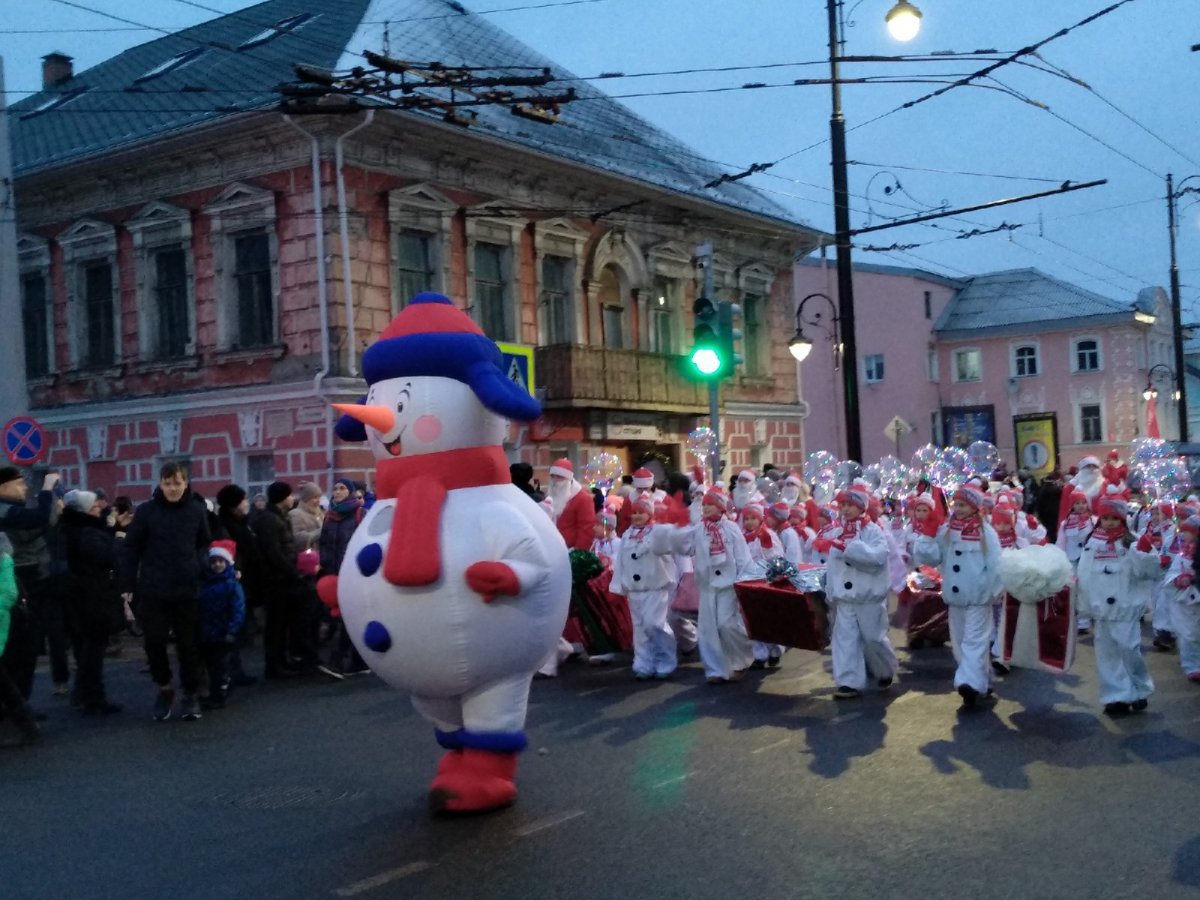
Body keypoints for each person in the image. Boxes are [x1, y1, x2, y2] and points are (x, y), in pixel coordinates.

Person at [119, 461, 211, 722]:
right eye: (168, 483)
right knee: (154, 642)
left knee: (188, 645)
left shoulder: (196, 510)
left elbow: (204, 543)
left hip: (187, 588)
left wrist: (201, 565)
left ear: (186, 483)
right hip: (154, 589)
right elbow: (131, 548)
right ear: (160, 484)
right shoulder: (147, 512)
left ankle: (191, 694)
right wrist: (126, 585)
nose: (173, 488)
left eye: (178, 483)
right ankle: (165, 688)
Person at [914, 485, 1001, 709]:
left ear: (973, 507)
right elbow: (933, 558)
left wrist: (994, 590)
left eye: (962, 505)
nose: (958, 509)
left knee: (975, 640)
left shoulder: (986, 532)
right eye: (956, 504)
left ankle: (968, 683)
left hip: (978, 597)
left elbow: (995, 564)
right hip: (955, 597)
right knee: (961, 643)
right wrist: (927, 534)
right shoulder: (947, 530)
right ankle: (983, 680)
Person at [1075, 497, 1159, 716]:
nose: (1109, 522)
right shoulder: (1092, 542)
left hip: (1125, 608)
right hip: (1102, 609)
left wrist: (1144, 553)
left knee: (1129, 649)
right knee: (1107, 654)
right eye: (1105, 518)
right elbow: (1084, 573)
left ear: (1122, 518)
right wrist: (1083, 600)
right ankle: (1116, 696)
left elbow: (1148, 571)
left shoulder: (1131, 541)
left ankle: (1139, 689)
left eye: (1114, 518)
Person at [815, 487, 898, 699]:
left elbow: (878, 558)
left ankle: (884, 668)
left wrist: (850, 548)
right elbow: (833, 565)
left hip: (867, 596)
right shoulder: (837, 530)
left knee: (873, 638)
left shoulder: (873, 530)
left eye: (850, 505)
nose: (846, 509)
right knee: (844, 638)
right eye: (842, 505)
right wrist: (830, 591)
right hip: (845, 598)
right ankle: (848, 682)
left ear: (861, 507)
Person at [0, 466, 67, 700]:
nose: (25, 487)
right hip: (19, 582)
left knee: (24, 651)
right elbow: (39, 518)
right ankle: (15, 710)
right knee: (19, 650)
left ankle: (20, 706)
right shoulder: (5, 511)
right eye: (19, 483)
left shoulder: (12, 510)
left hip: (29, 580)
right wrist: (47, 488)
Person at [677, 488, 754, 684]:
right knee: (708, 629)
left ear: (721, 507)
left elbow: (743, 558)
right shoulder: (698, 529)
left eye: (710, 504)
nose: (706, 508)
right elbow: (686, 547)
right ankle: (716, 670)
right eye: (704, 505)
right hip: (707, 585)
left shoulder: (731, 529)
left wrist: (744, 583)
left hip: (728, 585)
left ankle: (742, 658)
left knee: (726, 624)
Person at [60, 490, 123, 715]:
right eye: (94, 507)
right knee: (93, 648)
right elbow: (104, 556)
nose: (99, 509)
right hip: (91, 595)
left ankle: (82, 692)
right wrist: (117, 540)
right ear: (84, 510)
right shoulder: (85, 533)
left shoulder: (72, 527)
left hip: (81, 595)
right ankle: (93, 697)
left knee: (86, 647)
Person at [609, 496, 677, 681]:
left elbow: (670, 545)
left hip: (655, 587)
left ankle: (665, 659)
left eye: (641, 512)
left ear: (650, 514)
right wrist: (618, 587)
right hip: (635, 589)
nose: (637, 516)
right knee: (639, 628)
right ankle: (643, 663)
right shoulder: (627, 535)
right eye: (635, 512)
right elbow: (621, 561)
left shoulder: (657, 533)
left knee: (654, 623)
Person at [250, 481, 309, 677]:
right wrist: (292, 571)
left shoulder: (277, 517)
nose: (292, 498)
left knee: (282, 623)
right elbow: (274, 552)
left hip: (282, 578)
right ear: (282, 498)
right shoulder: (269, 520)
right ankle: (274, 665)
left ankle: (282, 661)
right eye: (289, 495)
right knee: (275, 624)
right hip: (276, 580)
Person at [317, 478, 369, 678]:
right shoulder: (330, 516)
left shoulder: (360, 514)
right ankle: (359, 661)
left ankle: (337, 661)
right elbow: (324, 543)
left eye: (342, 488)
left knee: (347, 617)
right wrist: (324, 564)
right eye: (336, 488)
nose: (337, 492)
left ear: (351, 492)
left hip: (354, 573)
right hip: (333, 574)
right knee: (347, 617)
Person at [215, 484, 259, 685]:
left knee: (238, 628)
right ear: (234, 504)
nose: (246, 502)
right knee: (231, 628)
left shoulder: (241, 523)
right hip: (235, 580)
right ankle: (230, 672)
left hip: (245, 580)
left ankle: (234, 671)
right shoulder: (226, 526)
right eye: (243, 499)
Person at [197, 541, 246, 710]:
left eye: (220, 561)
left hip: (224, 630)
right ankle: (217, 692)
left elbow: (238, 609)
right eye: (214, 562)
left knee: (221, 665)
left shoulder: (232, 585)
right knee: (212, 665)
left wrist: (232, 629)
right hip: (209, 631)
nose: (217, 565)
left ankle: (221, 694)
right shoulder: (206, 584)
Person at [0, 533, 39, 742]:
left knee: (5, 682)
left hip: (3, 625)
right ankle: (25, 722)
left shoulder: (3, 560)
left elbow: (8, 594)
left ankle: (25, 723)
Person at [1164, 516, 1200, 682]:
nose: (1183, 534)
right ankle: (1192, 665)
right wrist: (1178, 579)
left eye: (1187, 531)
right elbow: (1172, 573)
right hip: (1185, 601)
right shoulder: (1181, 555)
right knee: (1187, 634)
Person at [545, 458, 595, 550]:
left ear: (568, 478)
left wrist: (578, 553)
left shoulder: (582, 498)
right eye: (552, 476)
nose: (555, 480)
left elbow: (587, 528)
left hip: (571, 551)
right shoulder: (551, 495)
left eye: (559, 477)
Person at [289, 482, 324, 550]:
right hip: (307, 558)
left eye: (319, 497)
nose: (318, 501)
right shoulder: (296, 514)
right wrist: (319, 532)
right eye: (315, 497)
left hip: (322, 556)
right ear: (306, 499)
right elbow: (297, 538)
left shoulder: (320, 513)